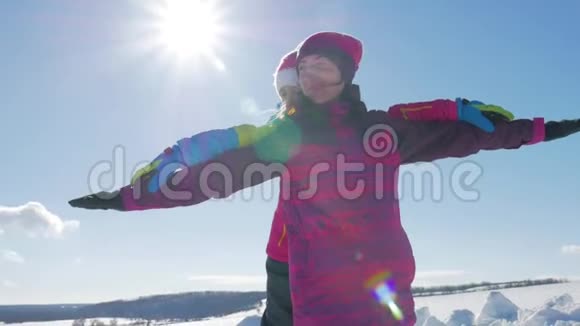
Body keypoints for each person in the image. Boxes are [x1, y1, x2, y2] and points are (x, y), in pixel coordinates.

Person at [69, 32, 580, 325]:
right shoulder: (281, 136)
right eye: (300, 74)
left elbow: (467, 137)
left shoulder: (382, 129)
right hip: (293, 265)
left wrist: (540, 130)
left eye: (322, 71)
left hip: (371, 268)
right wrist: (131, 199)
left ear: (344, 77)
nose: (309, 82)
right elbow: (214, 177)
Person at [261, 49, 515, 326]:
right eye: (285, 94)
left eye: (294, 91)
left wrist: (455, 108)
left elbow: (404, 117)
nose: (290, 100)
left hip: (347, 253)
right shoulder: (283, 129)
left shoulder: (353, 125)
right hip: (285, 254)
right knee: (279, 319)